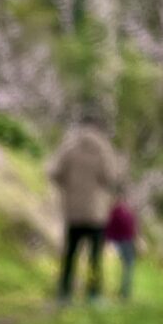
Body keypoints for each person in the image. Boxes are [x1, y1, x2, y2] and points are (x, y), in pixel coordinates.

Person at [47, 119, 124, 303]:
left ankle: (64, 292)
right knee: (95, 256)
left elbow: (54, 173)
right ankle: (93, 294)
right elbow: (111, 178)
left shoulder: (68, 148)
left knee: (70, 253)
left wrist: (68, 188)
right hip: (96, 213)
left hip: (73, 211)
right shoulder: (103, 150)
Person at [105, 199, 139, 302]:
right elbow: (133, 231)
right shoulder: (126, 214)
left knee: (125, 267)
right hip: (126, 242)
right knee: (128, 267)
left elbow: (109, 229)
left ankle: (123, 291)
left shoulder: (114, 213)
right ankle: (124, 292)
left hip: (120, 242)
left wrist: (108, 239)